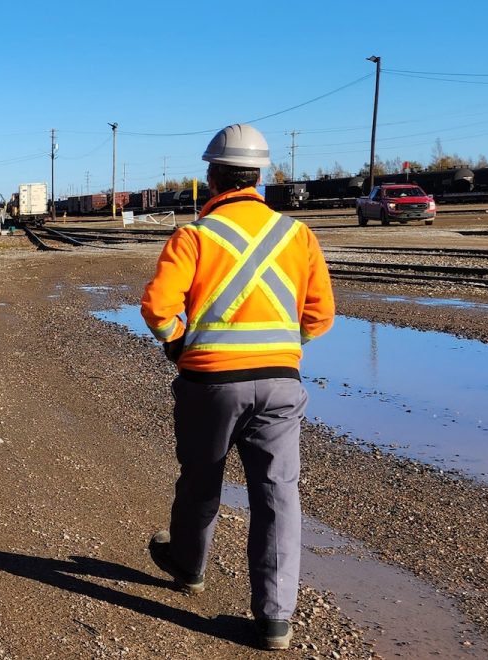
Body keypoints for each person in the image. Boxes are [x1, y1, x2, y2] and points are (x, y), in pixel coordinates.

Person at [138, 123, 335, 651]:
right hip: (280, 385)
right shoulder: (297, 235)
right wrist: (280, 347)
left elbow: (158, 308)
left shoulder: (195, 236)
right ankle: (274, 620)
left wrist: (178, 344)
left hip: (209, 384)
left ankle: (188, 566)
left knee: (201, 477)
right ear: (258, 176)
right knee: (277, 496)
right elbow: (319, 318)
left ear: (212, 177)